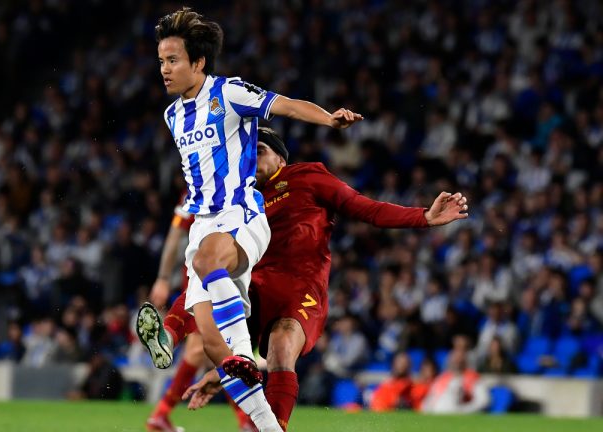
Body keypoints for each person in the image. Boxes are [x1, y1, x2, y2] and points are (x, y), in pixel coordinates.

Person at [136, 8, 362, 432]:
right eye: (161, 61)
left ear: (198, 62)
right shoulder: (172, 116)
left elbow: (286, 105)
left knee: (207, 264)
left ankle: (230, 347)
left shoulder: (230, 93)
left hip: (241, 215)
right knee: (215, 348)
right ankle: (267, 425)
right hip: (203, 224)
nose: (164, 69)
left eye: (173, 60)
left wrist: (329, 117)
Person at [164, 127, 469, 429]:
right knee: (205, 277)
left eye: (259, 151)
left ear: (281, 160)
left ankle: (275, 426)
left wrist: (423, 216)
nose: (250, 158)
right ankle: (166, 336)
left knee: (282, 347)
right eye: (246, 153)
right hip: (254, 287)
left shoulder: (307, 177)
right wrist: (221, 373)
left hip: (300, 289)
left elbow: (366, 208)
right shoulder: (236, 198)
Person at [146, 195, 253, 431]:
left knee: (205, 352)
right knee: (221, 349)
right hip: (217, 277)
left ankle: (160, 415)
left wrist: (163, 279)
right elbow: (175, 235)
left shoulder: (194, 190)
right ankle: (247, 421)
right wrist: (163, 279)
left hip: (198, 277)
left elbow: (175, 234)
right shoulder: (234, 183)